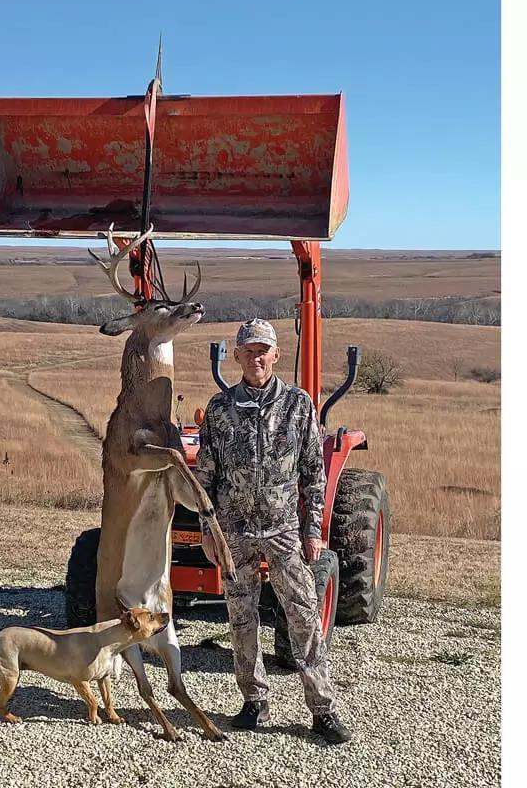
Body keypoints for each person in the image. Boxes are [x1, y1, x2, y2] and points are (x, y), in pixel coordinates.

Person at [193, 318, 353, 745]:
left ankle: (322, 709)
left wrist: (313, 529)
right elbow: (204, 478)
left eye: (263, 350)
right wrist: (209, 531)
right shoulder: (220, 409)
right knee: (241, 616)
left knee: (303, 616)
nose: (255, 357)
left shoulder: (299, 406)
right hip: (234, 531)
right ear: (238, 356)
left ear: (276, 355)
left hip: (283, 530)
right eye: (248, 351)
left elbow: (313, 474)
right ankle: (254, 701)